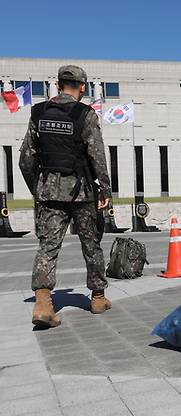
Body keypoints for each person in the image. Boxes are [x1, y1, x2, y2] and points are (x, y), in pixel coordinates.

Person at [19, 65, 112, 328]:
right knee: (91, 244)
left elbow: (26, 158)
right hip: (81, 191)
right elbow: (97, 155)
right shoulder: (85, 114)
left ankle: (43, 303)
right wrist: (105, 189)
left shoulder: (38, 113)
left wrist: (38, 188)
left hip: (49, 192)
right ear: (82, 86)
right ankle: (97, 297)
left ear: (58, 84)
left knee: (48, 246)